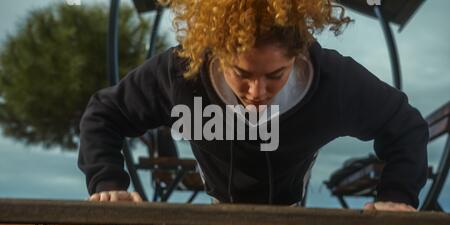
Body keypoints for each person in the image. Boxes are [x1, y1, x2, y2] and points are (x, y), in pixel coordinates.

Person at [79, 0, 428, 212]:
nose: (257, 91)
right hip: (219, 203)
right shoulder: (182, 74)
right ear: (215, 53)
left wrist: (397, 196)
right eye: (241, 74)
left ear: (298, 54)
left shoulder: (331, 83)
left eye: (276, 75)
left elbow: (404, 127)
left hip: (289, 207)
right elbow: (104, 115)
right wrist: (108, 183)